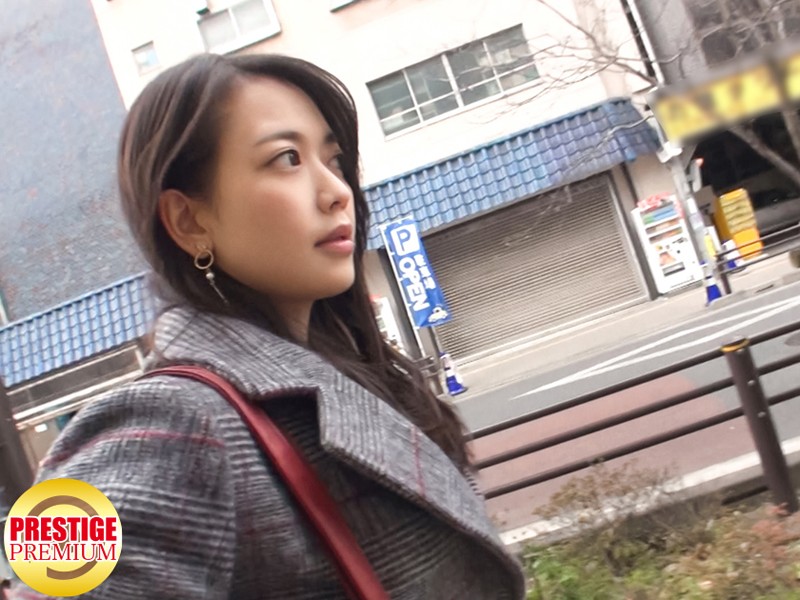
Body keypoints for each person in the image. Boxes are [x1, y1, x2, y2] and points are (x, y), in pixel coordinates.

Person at [9, 53, 525, 599]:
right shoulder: (163, 420)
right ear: (188, 220)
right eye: (286, 159)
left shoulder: (342, 376)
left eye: (333, 159)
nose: (337, 191)